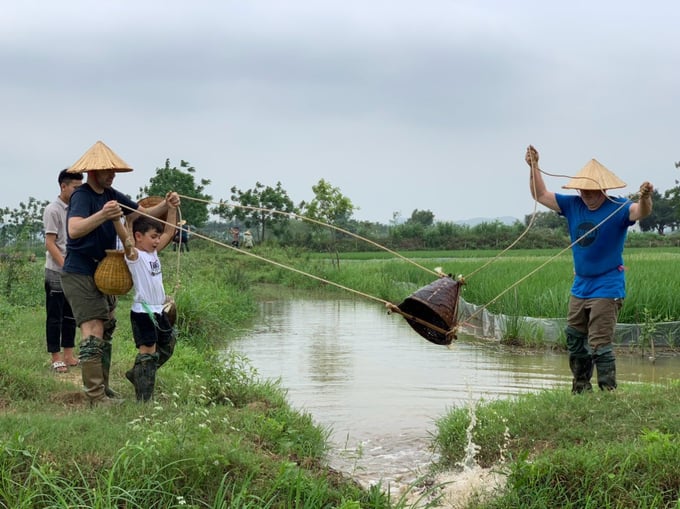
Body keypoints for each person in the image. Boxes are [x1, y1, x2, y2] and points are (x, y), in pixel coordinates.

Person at [60, 140, 180, 406]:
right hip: (80, 269)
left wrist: (168, 204)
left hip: (103, 270)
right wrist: (104, 215)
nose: (112, 174)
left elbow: (144, 212)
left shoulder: (111, 193)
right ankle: (95, 397)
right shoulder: (82, 195)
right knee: (93, 329)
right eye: (107, 170)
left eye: (114, 170)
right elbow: (75, 230)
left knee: (108, 326)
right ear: (93, 171)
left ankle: (103, 388)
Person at [525, 145, 653, 393]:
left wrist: (646, 197)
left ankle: (608, 392)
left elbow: (641, 212)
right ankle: (581, 389)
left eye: (592, 190)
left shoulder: (619, 207)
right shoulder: (573, 205)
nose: (586, 194)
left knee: (599, 343)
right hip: (580, 285)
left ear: (603, 190)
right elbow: (540, 195)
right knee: (574, 337)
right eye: (582, 190)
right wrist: (533, 166)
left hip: (607, 285)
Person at [113, 202, 178, 402]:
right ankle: (144, 401)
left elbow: (170, 230)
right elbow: (126, 239)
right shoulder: (135, 256)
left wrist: (173, 207)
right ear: (139, 236)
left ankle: (137, 373)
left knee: (168, 344)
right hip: (143, 312)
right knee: (148, 353)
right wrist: (119, 219)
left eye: (158, 237)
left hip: (159, 311)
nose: (158, 241)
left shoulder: (153, 253)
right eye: (153, 237)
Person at [43, 168, 83, 373]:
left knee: (71, 315)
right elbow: (50, 243)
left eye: (80, 187)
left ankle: (69, 354)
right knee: (55, 315)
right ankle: (55, 357)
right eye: (75, 187)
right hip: (56, 271)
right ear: (63, 186)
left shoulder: (77, 209)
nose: (78, 191)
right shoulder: (53, 210)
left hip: (73, 271)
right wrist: (64, 266)